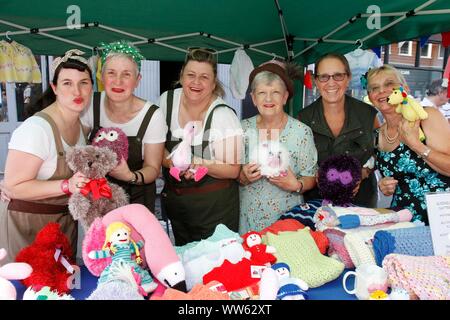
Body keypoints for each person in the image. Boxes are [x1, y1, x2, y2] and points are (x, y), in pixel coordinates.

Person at [0, 49, 93, 262]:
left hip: (62, 226)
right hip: (26, 227)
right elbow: (13, 186)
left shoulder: (82, 128)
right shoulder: (36, 129)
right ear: (54, 87)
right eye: (67, 83)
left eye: (84, 83)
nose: (76, 91)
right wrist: (66, 186)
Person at [158, 48, 242, 246]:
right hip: (179, 210)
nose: (196, 82)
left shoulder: (223, 116)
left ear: (213, 84)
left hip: (215, 213)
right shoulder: (167, 101)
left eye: (204, 77)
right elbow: (157, 147)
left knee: (216, 267)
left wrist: (195, 163)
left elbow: (233, 170)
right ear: (181, 76)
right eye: (191, 75)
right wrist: (175, 165)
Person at [80, 41, 167, 213]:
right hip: (96, 198)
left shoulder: (152, 115)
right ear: (102, 76)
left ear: (137, 80)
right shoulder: (90, 105)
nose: (118, 81)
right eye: (111, 73)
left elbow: (153, 168)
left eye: (126, 74)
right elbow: (78, 148)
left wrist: (129, 176)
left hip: (137, 201)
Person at [238, 61, 317, 233]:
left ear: (285, 96)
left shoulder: (301, 132)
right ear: (253, 98)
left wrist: (296, 185)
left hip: (288, 220)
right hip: (249, 219)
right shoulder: (241, 129)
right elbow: (233, 173)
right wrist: (242, 176)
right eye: (261, 93)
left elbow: (310, 177)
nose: (268, 99)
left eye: (275, 92)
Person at [367, 64, 450, 224]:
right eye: (375, 88)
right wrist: (384, 185)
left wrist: (416, 145)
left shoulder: (426, 117)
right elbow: (396, 180)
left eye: (389, 84)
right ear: (371, 97)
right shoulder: (377, 136)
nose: (382, 91)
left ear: (405, 89)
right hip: (404, 221)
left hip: (442, 219)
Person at [298, 53, 379, 207]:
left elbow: (381, 153)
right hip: (318, 201)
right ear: (316, 81)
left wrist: (363, 172)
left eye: (338, 76)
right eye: (324, 77)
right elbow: (301, 162)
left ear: (348, 78)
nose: (331, 82)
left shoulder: (367, 114)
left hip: (361, 199)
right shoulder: (304, 117)